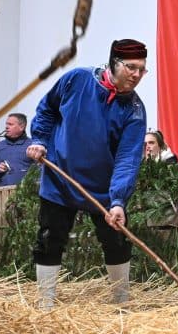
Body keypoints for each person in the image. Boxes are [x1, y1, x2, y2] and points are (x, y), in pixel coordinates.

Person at [26, 39, 148, 309]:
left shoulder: (135, 111)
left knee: (116, 240)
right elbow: (47, 109)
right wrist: (39, 139)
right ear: (113, 63)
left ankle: (121, 303)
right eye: (131, 67)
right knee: (50, 238)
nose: (137, 75)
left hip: (103, 188)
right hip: (61, 178)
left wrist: (117, 201)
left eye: (142, 69)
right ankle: (45, 306)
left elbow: (127, 159)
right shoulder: (77, 80)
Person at [0, 113, 34, 188]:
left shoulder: (32, 146)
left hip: (26, 194)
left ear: (21, 127)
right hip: (2, 194)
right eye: (6, 124)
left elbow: (40, 169)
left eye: (10, 124)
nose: (6, 127)